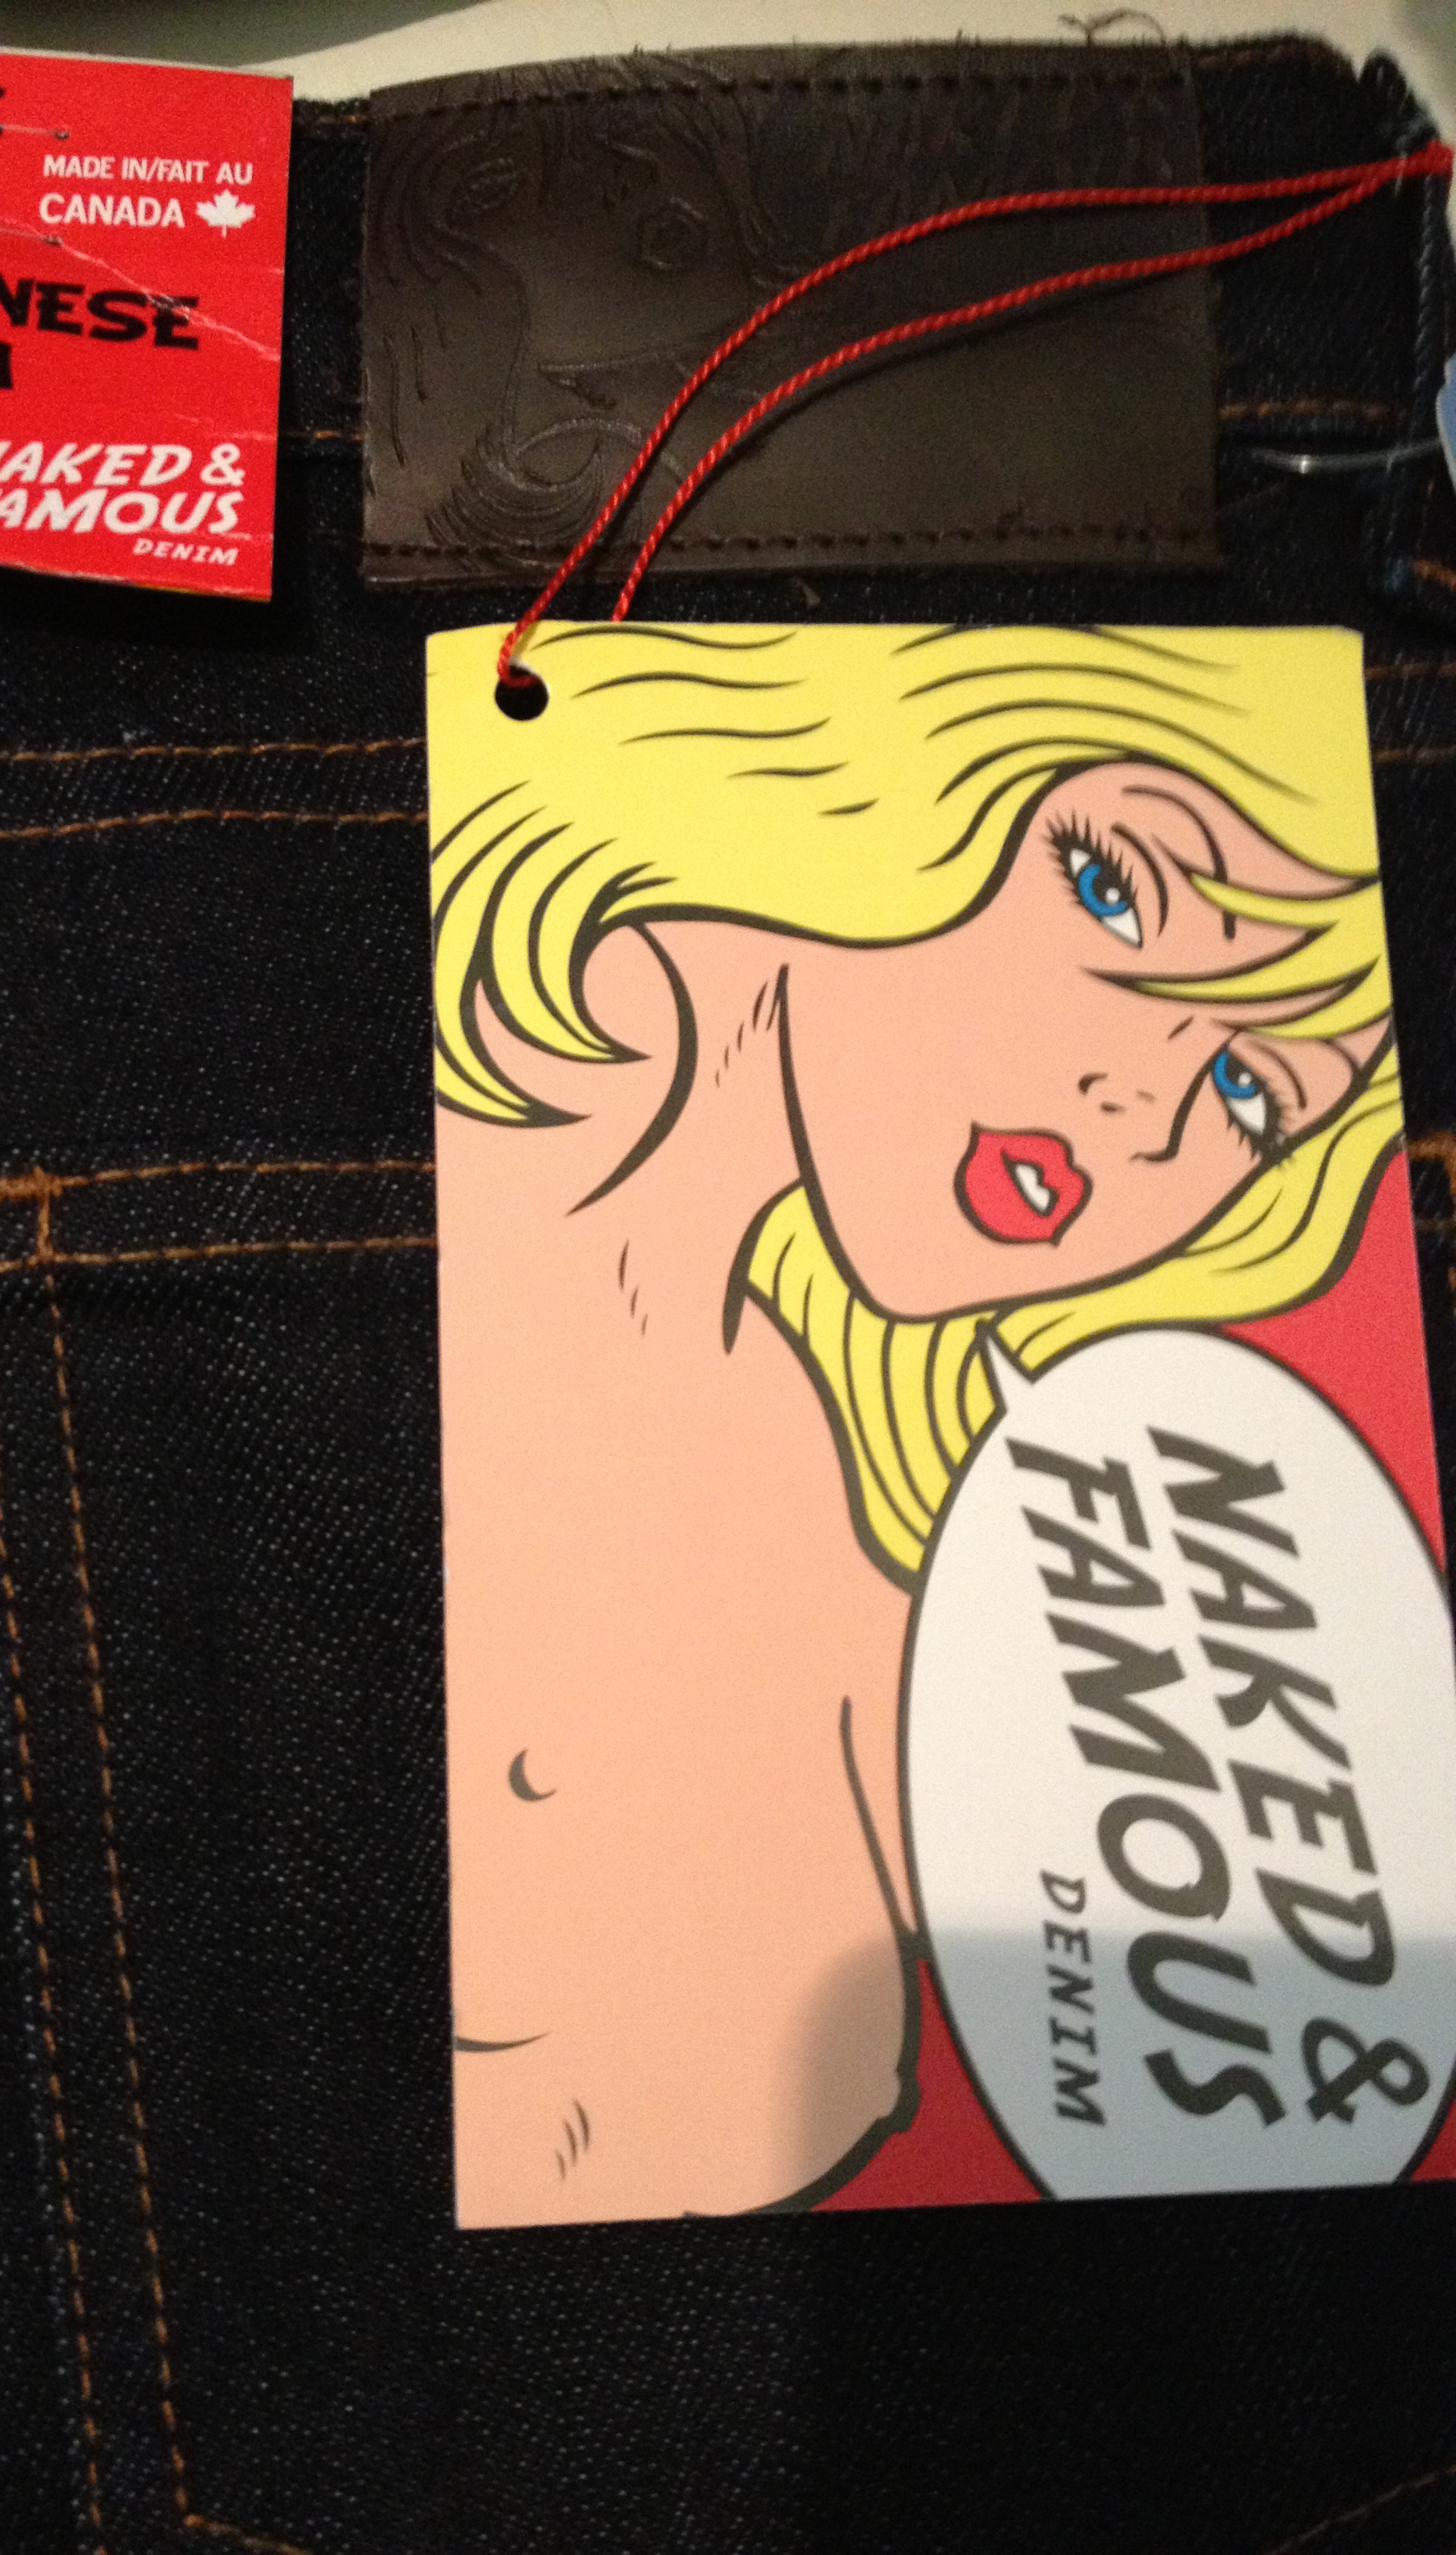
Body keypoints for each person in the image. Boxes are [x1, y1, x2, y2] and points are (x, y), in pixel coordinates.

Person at [430, 619, 1400, 2225]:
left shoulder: (864, 1576)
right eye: (1117, 891)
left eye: (1252, 1099)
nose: (1146, 1113)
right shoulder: (459, 1191)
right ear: (916, 784)